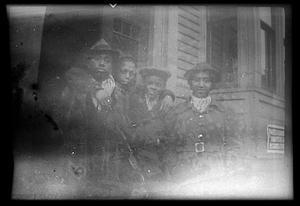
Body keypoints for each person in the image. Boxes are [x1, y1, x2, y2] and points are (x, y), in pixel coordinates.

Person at [164, 62, 242, 184]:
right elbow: (168, 146)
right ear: (190, 83)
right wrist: (174, 169)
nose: (201, 85)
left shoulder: (224, 112)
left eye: (206, 80)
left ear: (212, 84)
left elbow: (233, 144)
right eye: (196, 80)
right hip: (185, 174)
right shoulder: (177, 112)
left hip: (216, 174)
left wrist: (228, 169)